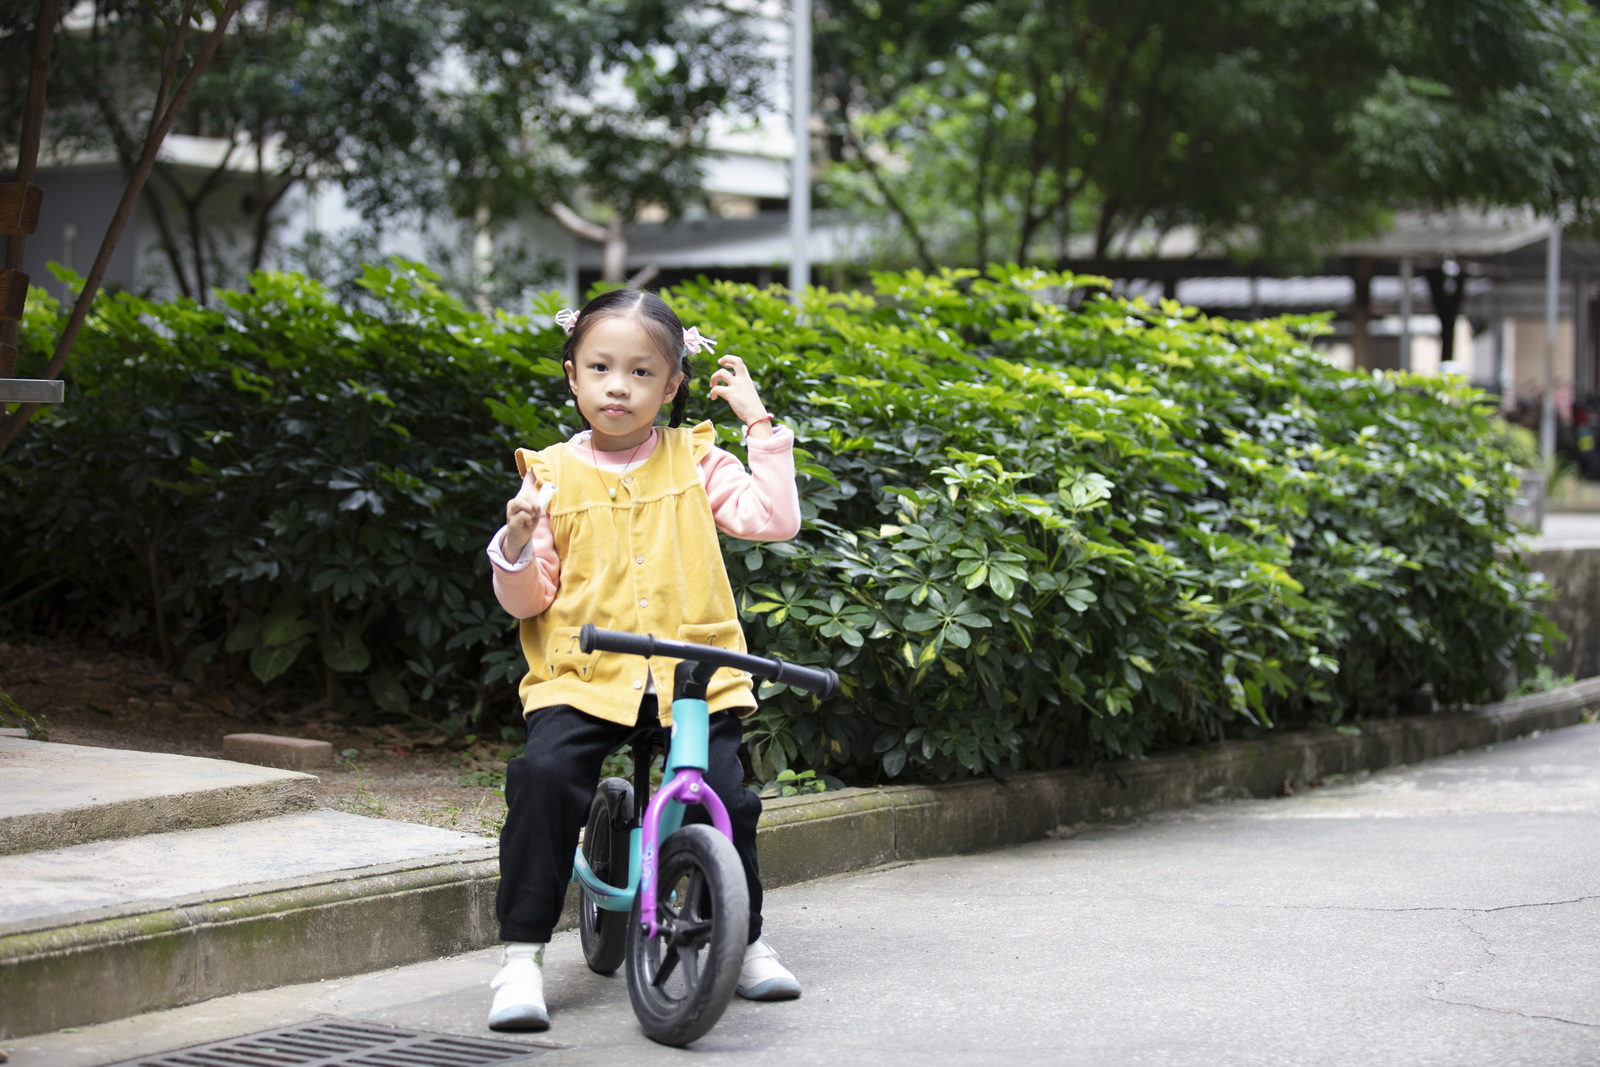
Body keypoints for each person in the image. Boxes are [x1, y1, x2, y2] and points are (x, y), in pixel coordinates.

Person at [483, 288, 803, 1031]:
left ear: (672, 384)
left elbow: (774, 519)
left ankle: (743, 938)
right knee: (543, 777)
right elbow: (528, 601)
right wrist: (517, 542)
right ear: (573, 376)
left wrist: (758, 424)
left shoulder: (696, 459)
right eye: (600, 368)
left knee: (727, 797)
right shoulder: (549, 475)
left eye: (641, 372)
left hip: (694, 676)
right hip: (584, 676)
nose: (618, 387)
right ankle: (521, 955)